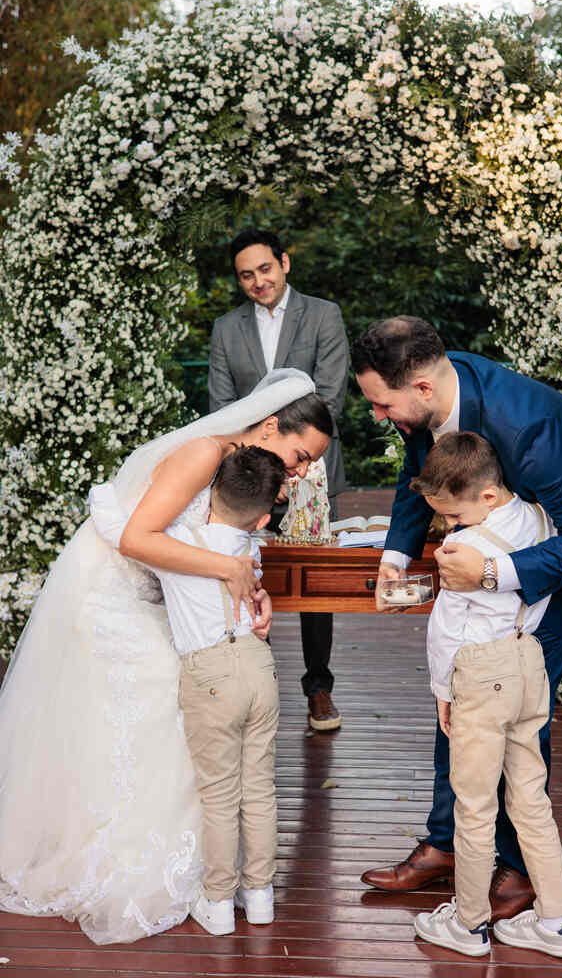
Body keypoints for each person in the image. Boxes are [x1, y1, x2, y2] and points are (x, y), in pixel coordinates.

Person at [0, 369, 331, 945]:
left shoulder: (242, 469)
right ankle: (126, 855)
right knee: (162, 699)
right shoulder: (204, 453)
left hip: (165, 593)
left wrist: (253, 591)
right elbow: (137, 539)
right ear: (272, 425)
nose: (300, 473)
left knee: (190, 699)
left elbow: (221, 542)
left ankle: (205, 871)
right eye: (300, 456)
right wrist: (230, 571)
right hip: (112, 591)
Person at [352, 317, 562, 920]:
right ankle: (447, 845)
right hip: (503, 548)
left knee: (513, 707)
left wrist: (491, 576)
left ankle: (517, 868)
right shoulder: (437, 394)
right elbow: (422, 476)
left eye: (382, 404)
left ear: (422, 387)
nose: (378, 416)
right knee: (462, 689)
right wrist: (394, 555)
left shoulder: (531, 424)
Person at [411, 431, 562, 958]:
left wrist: (443, 690)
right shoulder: (538, 519)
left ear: (486, 497)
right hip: (528, 662)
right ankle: (555, 922)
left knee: (475, 803)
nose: (448, 527)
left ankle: (468, 925)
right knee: (531, 797)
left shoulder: (464, 551)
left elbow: (444, 630)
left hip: (480, 674)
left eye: (452, 515)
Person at [209, 228, 349, 732]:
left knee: (313, 580)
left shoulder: (324, 314)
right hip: (249, 470)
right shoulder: (227, 329)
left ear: (284, 263)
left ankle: (319, 689)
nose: (257, 281)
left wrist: (296, 462)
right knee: (249, 566)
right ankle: (258, 680)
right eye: (246, 275)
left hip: (310, 467)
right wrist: (256, 466)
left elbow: (330, 396)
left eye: (264, 269)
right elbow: (222, 405)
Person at [152, 446, 286, 937]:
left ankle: (218, 899)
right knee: (259, 789)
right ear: (264, 517)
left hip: (210, 674)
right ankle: (261, 896)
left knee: (219, 795)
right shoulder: (249, 550)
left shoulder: (178, 541)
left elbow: (110, 516)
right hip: (258, 664)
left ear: (211, 491)